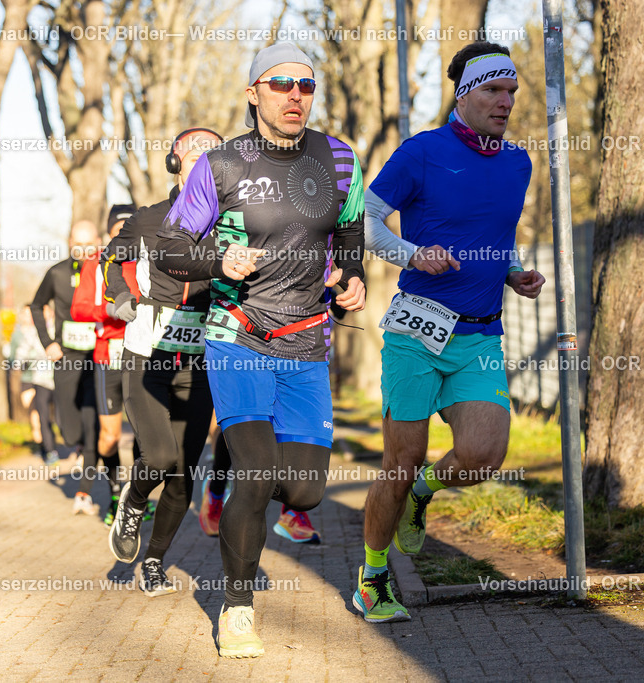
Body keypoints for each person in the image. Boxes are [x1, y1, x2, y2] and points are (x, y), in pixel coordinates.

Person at [146, 43, 367, 657]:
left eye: (305, 84)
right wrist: (220, 258)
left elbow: (350, 227)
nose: (295, 95)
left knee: (304, 491)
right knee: (258, 471)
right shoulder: (220, 166)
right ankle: (236, 607)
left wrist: (350, 276)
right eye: (280, 84)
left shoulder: (339, 157)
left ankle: (247, 494)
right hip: (235, 333)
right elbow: (169, 245)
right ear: (254, 94)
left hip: (306, 338)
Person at [358, 42, 545, 623]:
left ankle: (422, 496)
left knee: (484, 454)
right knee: (401, 459)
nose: (506, 102)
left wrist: (512, 271)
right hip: (418, 329)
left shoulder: (518, 163)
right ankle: (373, 576)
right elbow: (364, 219)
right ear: (464, 95)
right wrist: (413, 253)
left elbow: (497, 231)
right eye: (493, 90)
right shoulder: (421, 153)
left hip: (480, 335)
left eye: (512, 91)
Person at [102, 128, 225, 595]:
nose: (205, 157)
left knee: (181, 478)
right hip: (146, 355)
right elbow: (111, 261)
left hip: (200, 365)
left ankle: (154, 561)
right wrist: (120, 298)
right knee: (158, 456)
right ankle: (131, 505)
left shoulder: (233, 224)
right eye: (194, 150)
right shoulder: (148, 219)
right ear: (175, 163)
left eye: (215, 151)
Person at [70, 206, 137, 524]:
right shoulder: (95, 262)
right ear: (109, 233)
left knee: (144, 432)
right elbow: (78, 308)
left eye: (129, 226)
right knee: (109, 437)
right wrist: (111, 311)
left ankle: (136, 499)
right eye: (117, 229)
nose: (123, 234)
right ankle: (114, 492)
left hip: (143, 353)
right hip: (107, 354)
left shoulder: (148, 256)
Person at [30, 222, 102, 513]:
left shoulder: (105, 272)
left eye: (89, 245)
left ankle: (84, 491)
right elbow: (35, 306)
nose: (84, 251)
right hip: (67, 358)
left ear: (98, 242)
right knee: (70, 429)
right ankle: (79, 445)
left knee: (91, 423)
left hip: (98, 358)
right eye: (78, 244)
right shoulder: (57, 273)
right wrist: (48, 342)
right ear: (69, 242)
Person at [8, 305, 57, 463]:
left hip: (43, 376)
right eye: (25, 314)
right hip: (27, 377)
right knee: (33, 411)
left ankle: (48, 443)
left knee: (40, 412)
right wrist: (18, 364)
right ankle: (42, 443)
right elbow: (13, 357)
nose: (28, 317)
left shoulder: (43, 330)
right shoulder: (18, 334)